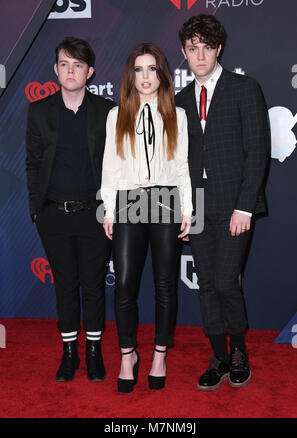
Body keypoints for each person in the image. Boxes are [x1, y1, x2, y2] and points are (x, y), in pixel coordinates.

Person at [175, 14, 270, 390]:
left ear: (219, 49)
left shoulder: (244, 88)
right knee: (207, 285)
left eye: (206, 47)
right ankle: (217, 356)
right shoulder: (179, 99)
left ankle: (239, 351)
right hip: (196, 207)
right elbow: (176, 162)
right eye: (192, 48)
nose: (200, 55)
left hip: (235, 206)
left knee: (226, 281)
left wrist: (245, 207)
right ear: (184, 52)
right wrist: (181, 211)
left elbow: (257, 150)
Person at [101, 43, 193, 393]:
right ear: (130, 75)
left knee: (165, 284)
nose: (145, 77)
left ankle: (158, 355)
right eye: (138, 70)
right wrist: (108, 210)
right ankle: (127, 355)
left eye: (152, 69)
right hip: (128, 199)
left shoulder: (177, 115)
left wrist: (189, 210)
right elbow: (110, 168)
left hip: (167, 199)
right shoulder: (117, 115)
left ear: (162, 74)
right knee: (125, 282)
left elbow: (183, 166)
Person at [25, 37, 115, 382]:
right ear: (55, 70)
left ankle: (93, 352)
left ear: (89, 71)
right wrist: (36, 208)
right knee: (64, 284)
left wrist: (111, 210)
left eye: (78, 65)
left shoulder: (107, 111)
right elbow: (32, 163)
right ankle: (69, 353)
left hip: (94, 213)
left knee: (93, 284)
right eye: (65, 64)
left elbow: (117, 164)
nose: (71, 71)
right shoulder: (39, 111)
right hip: (52, 214)